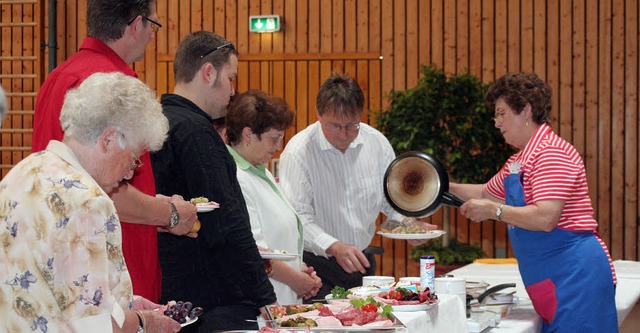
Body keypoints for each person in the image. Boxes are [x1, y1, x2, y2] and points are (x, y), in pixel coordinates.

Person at [31, 0, 197, 303]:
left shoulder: (56, 76)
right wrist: (169, 214)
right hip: (108, 269)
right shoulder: (114, 86)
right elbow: (104, 189)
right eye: (154, 25)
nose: (152, 36)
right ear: (136, 25)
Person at [0, 72, 181, 333]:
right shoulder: (89, 201)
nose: (130, 172)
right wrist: (145, 322)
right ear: (108, 140)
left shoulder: (22, 173)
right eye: (133, 158)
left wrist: (124, 305)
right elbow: (95, 326)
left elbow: (55, 287)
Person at [449, 72, 618, 332]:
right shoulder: (521, 159)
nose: (496, 122)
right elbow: (485, 193)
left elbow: (545, 218)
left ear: (526, 110)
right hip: (552, 278)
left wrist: (494, 211)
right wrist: (437, 187)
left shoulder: (551, 151)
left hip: (575, 276)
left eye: (502, 113)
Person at [150, 31, 276, 332]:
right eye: (231, 78)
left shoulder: (157, 120)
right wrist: (264, 295)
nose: (234, 91)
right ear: (208, 73)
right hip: (212, 304)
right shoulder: (196, 132)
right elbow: (228, 222)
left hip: (171, 292)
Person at [279, 74, 437, 299]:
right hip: (316, 268)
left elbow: (390, 201)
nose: (344, 135)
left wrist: (407, 226)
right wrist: (334, 246)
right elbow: (298, 218)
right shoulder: (298, 152)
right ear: (318, 113)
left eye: (352, 126)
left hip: (363, 263)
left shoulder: (376, 143)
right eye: (335, 126)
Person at [225, 90, 323, 304]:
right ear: (248, 135)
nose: (278, 147)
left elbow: (278, 236)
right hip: (258, 304)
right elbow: (253, 252)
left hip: (281, 297)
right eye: (274, 138)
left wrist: (300, 269)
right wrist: (296, 279)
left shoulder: (260, 169)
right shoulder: (235, 177)